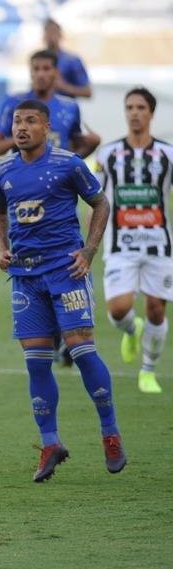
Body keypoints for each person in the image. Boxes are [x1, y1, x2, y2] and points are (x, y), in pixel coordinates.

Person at [0, 98, 126, 482]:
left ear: (46, 127)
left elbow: (101, 204)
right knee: (36, 362)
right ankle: (51, 443)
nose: (21, 127)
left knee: (81, 351)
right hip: (26, 277)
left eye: (30, 121)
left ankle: (110, 433)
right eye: (17, 121)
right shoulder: (2, 170)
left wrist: (89, 250)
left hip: (66, 271)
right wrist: (1, 248)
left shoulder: (68, 164)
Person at [95, 87, 170, 394]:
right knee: (118, 309)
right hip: (120, 245)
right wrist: (89, 242)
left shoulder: (167, 154)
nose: (134, 113)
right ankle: (131, 329)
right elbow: (96, 200)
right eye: (129, 107)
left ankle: (148, 371)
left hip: (159, 244)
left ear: (151, 113)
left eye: (140, 107)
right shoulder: (107, 154)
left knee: (156, 310)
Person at [0, 50, 99, 160]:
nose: (40, 74)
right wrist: (23, 136)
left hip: (57, 172)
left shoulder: (70, 107)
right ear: (30, 72)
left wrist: (91, 145)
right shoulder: (13, 102)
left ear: (56, 72)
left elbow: (73, 153)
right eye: (36, 69)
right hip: (26, 171)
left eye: (46, 69)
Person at [43, 18, 93, 99]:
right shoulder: (37, 60)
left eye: (54, 32)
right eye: (47, 32)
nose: (51, 36)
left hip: (65, 105)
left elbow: (87, 92)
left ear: (60, 35)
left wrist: (63, 87)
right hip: (42, 106)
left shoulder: (72, 60)